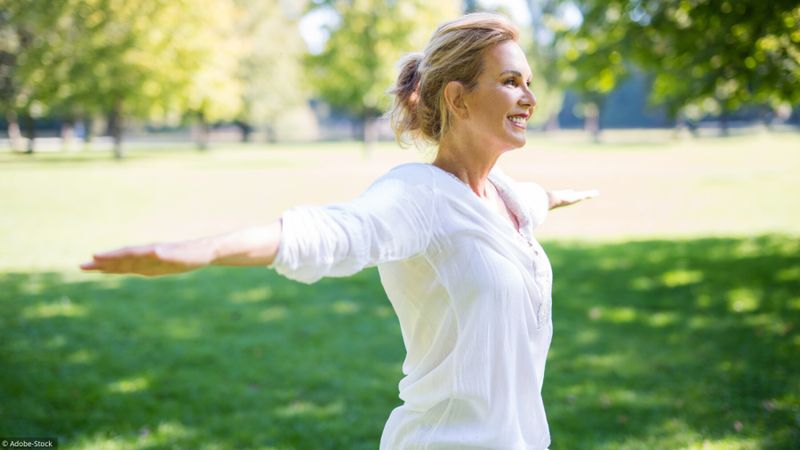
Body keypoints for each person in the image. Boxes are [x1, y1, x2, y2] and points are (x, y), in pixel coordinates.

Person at [80, 12, 598, 450]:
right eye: (510, 81)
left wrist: (558, 196)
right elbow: (335, 233)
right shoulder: (418, 195)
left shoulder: (506, 195)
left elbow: (532, 201)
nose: (529, 97)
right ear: (458, 99)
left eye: (529, 82)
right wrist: (207, 250)